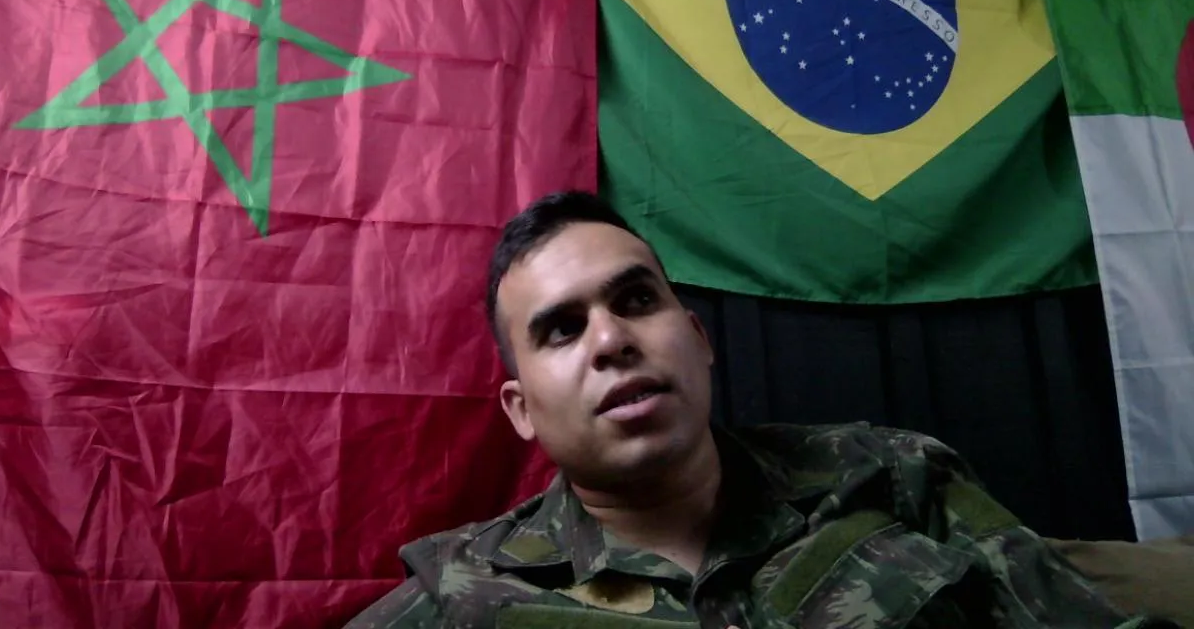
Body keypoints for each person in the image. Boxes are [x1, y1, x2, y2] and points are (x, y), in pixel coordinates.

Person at [345, 190, 1175, 628]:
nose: (611, 340)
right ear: (521, 409)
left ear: (697, 339)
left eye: (636, 300)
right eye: (562, 329)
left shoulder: (893, 477)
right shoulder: (460, 592)